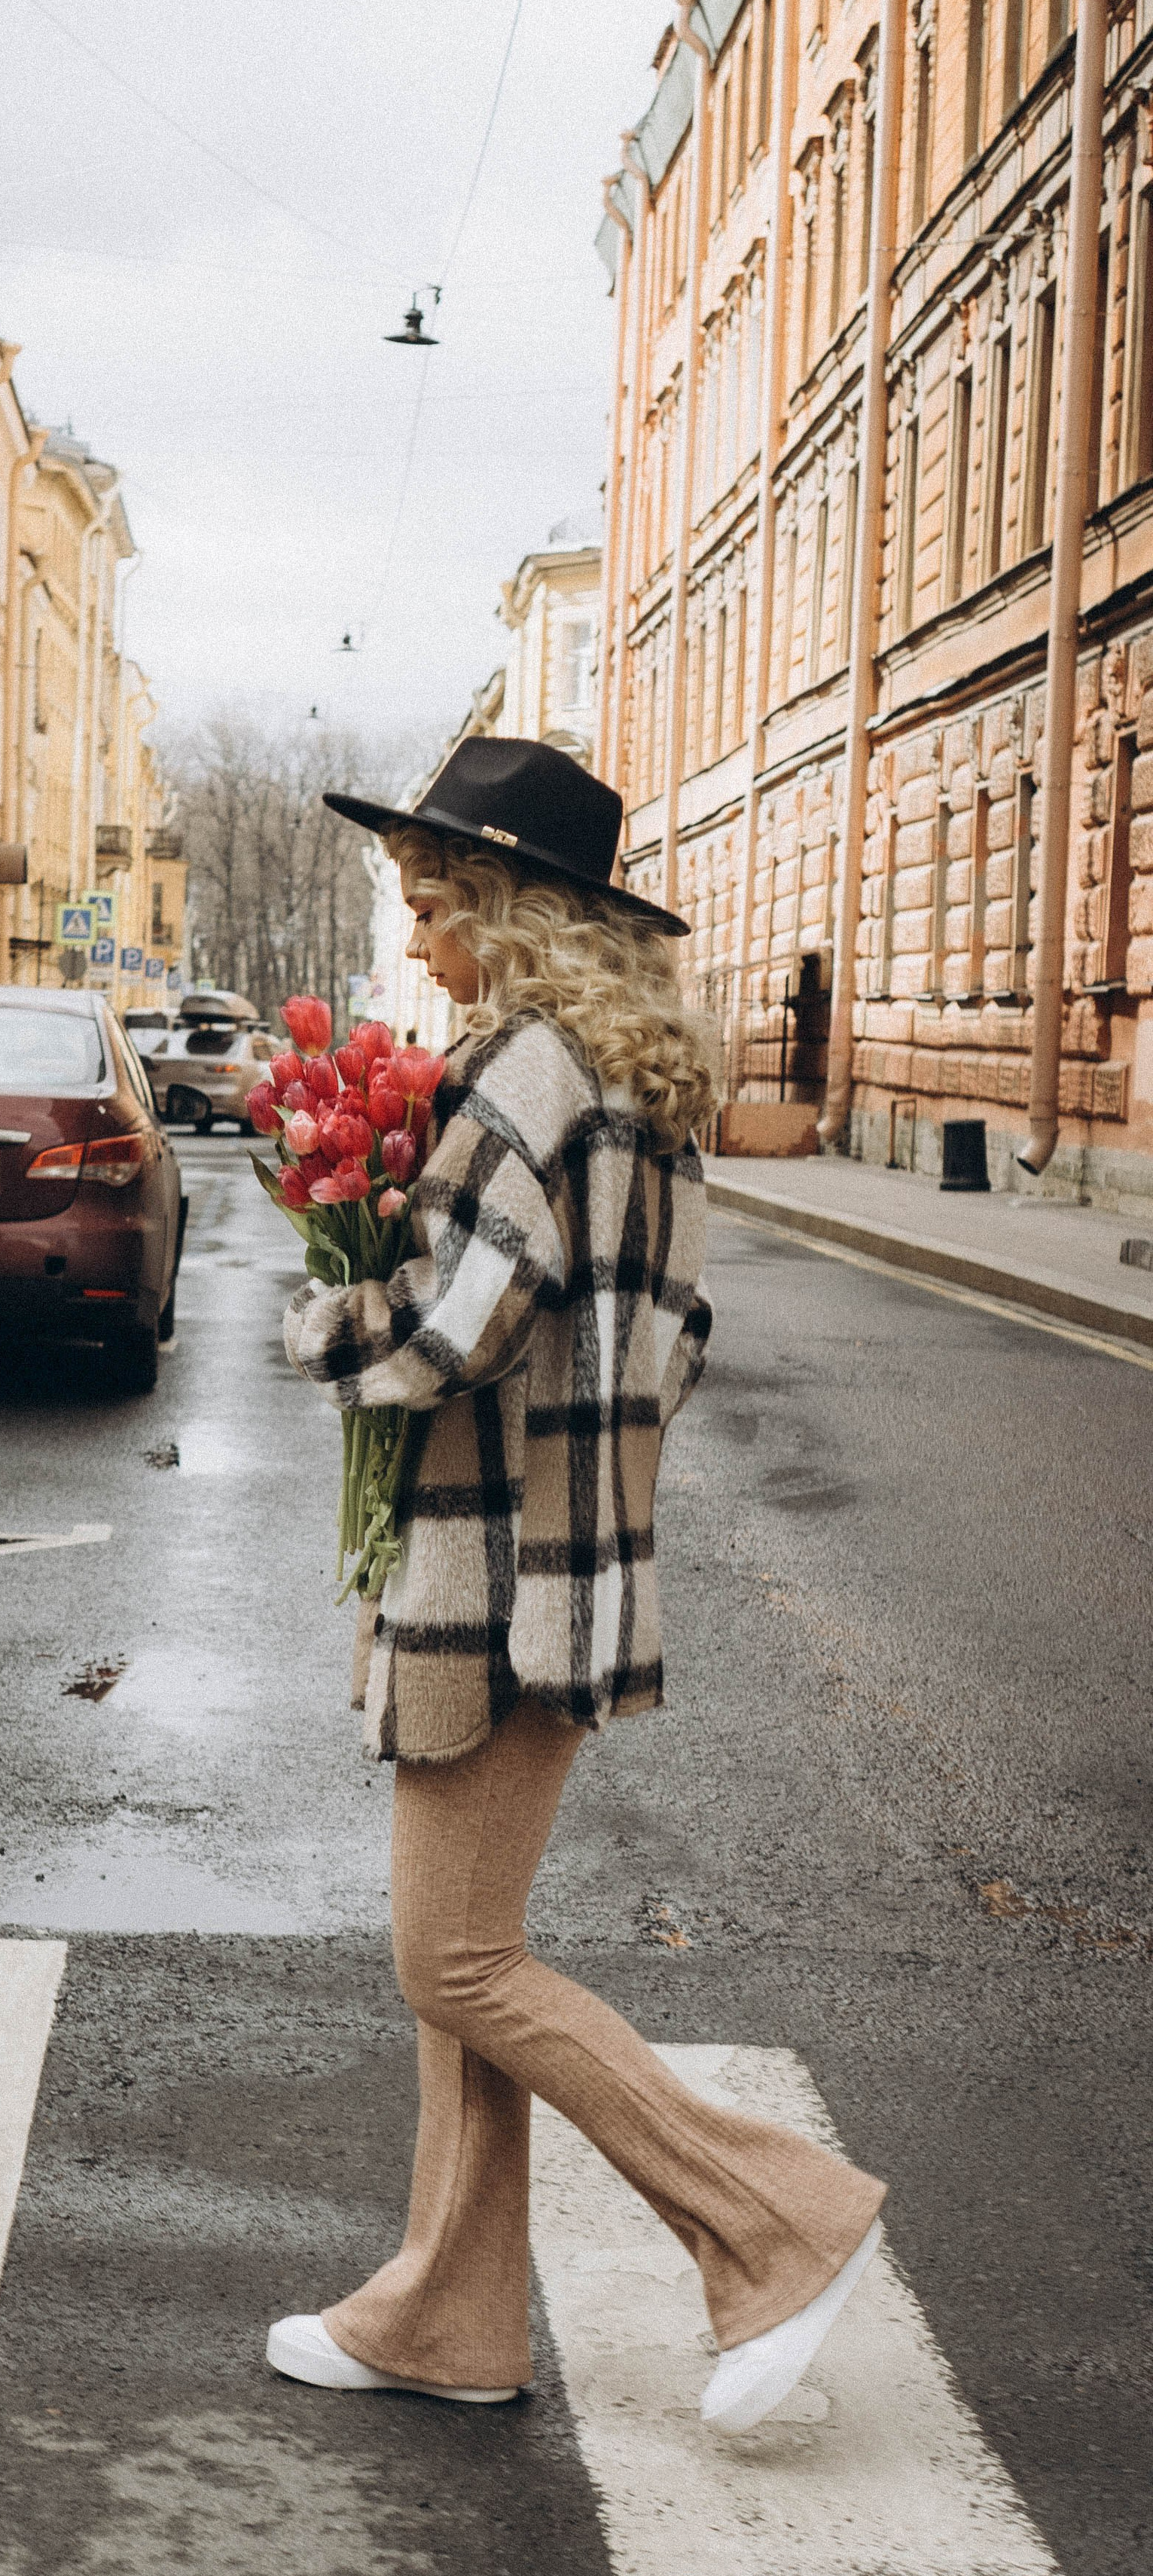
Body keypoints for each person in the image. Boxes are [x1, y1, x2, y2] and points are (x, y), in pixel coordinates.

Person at [273, 737, 884, 2435]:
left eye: (431, 907)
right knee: (469, 1955)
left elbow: (462, 1325)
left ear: (506, 908)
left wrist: (324, 1320)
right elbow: (670, 1342)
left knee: (451, 1964)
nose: (418, 946)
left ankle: (779, 2223)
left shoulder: (525, 1073)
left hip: (485, 1573)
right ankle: (449, 2319)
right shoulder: (641, 1092)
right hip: (576, 1563)